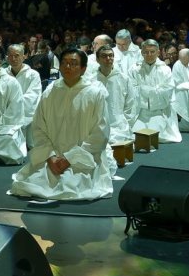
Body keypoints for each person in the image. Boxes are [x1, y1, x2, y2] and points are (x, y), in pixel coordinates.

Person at [11, 48, 115, 201]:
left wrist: (70, 158)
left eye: (73, 64)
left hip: (82, 156)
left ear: (83, 69)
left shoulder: (94, 93)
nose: (67, 67)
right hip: (53, 155)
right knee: (34, 182)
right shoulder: (51, 91)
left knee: (72, 186)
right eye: (64, 63)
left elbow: (100, 132)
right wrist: (50, 156)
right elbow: (39, 126)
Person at [129, 39, 179, 142]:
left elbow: (167, 91)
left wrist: (144, 90)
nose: (149, 55)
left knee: (156, 136)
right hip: (140, 111)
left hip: (159, 111)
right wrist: (154, 90)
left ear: (158, 52)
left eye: (152, 52)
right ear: (142, 52)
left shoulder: (165, 70)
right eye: (146, 52)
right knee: (135, 135)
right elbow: (130, 90)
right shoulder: (134, 69)